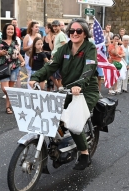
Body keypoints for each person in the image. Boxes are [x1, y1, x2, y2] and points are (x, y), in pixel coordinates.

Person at [29, 18, 99, 170]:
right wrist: (35, 77)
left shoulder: (90, 48)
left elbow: (89, 69)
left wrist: (79, 85)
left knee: (74, 119)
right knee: (53, 113)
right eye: (72, 31)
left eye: (79, 31)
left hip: (86, 90)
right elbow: (51, 66)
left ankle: (85, 153)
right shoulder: (65, 49)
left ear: (85, 33)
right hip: (68, 88)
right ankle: (59, 148)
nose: (75, 33)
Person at [0, 23, 25, 114]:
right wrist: (0, 54)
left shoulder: (16, 42)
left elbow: (17, 54)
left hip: (15, 66)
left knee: (11, 87)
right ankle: (14, 97)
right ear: (5, 30)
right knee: (5, 89)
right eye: (8, 29)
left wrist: (23, 61)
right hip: (3, 67)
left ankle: (8, 107)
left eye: (12, 29)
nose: (10, 31)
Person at [22, 21, 41, 89]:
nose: (37, 28)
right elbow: (24, 48)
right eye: (36, 27)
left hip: (37, 57)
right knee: (30, 74)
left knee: (36, 73)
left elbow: (40, 46)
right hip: (29, 57)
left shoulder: (39, 36)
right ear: (32, 28)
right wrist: (31, 46)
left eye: (38, 27)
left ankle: (36, 89)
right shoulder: (27, 36)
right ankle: (29, 90)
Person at [51, 20, 67, 88]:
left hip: (58, 58)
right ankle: (59, 89)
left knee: (58, 77)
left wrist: (58, 55)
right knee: (56, 76)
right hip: (55, 57)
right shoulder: (57, 35)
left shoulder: (61, 35)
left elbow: (65, 46)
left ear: (59, 26)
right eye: (53, 26)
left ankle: (59, 90)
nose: (54, 28)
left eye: (56, 26)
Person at [43, 23, 55, 91]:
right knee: (45, 73)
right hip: (44, 56)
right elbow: (41, 47)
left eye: (46, 28)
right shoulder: (44, 37)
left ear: (49, 29)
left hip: (50, 55)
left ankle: (51, 88)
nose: (45, 30)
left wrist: (50, 39)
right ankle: (46, 88)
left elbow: (52, 48)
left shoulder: (54, 37)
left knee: (51, 74)